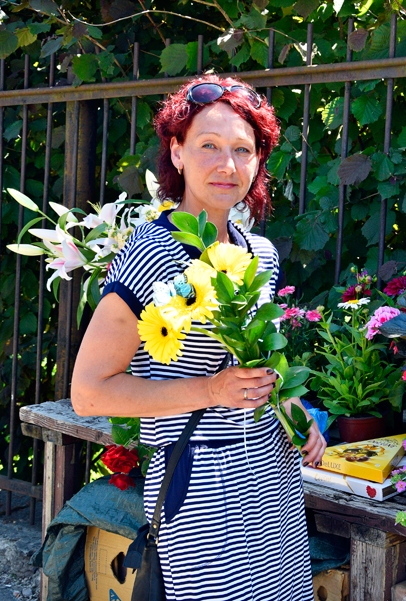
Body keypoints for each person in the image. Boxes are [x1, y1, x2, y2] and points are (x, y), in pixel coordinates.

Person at [70, 74, 324, 601]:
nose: (227, 164)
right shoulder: (151, 253)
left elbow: (259, 361)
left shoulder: (260, 254)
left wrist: (294, 412)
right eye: (208, 145)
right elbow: (90, 392)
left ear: (258, 162)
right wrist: (211, 391)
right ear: (177, 153)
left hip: (275, 486)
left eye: (242, 150)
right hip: (202, 495)